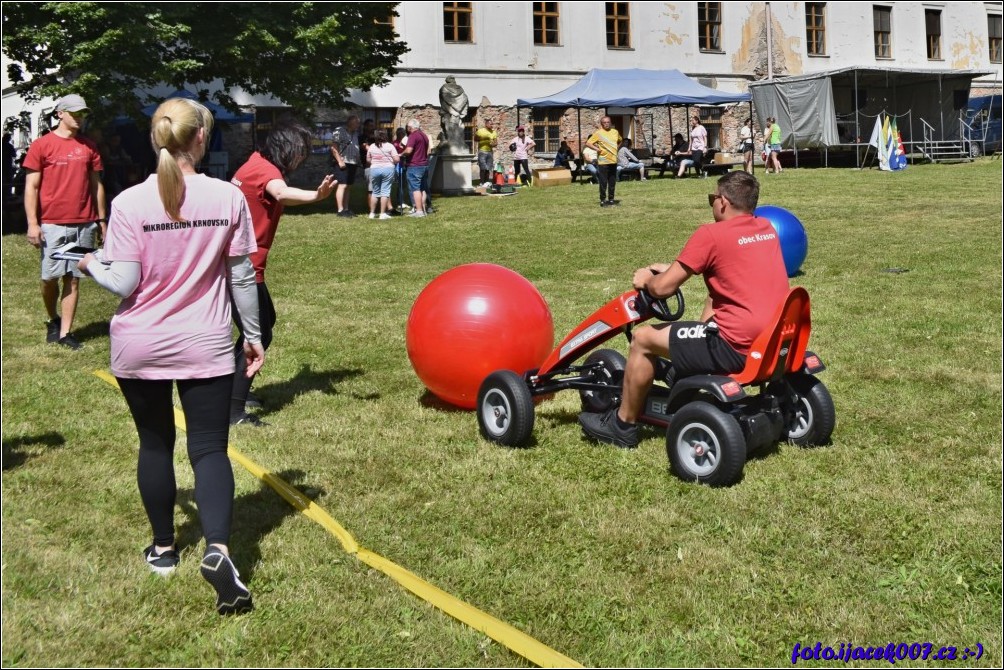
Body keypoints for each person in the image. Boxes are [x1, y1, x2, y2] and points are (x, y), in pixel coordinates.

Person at [77, 97, 264, 615]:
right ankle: (220, 549)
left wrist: (92, 264)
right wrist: (253, 334)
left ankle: (163, 549)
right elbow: (242, 276)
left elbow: (125, 282)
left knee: (154, 444)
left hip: (140, 344)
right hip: (204, 342)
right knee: (208, 449)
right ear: (200, 138)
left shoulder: (129, 203)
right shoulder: (227, 197)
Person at [578, 171, 790, 449]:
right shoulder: (766, 229)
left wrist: (646, 279)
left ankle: (623, 425)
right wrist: (680, 268)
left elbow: (663, 289)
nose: (712, 203)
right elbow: (731, 268)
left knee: (642, 339)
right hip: (774, 341)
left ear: (723, 202)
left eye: (712, 198)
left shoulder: (711, 234)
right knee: (712, 301)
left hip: (736, 347)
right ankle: (685, 372)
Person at [227, 119, 337, 427]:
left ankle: (236, 390)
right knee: (259, 332)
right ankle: (234, 409)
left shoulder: (253, 161)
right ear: (287, 149)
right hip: (244, 268)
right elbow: (281, 192)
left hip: (239, 263)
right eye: (301, 151)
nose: (302, 157)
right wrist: (316, 197)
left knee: (263, 325)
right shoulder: (268, 172)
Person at [22, 93, 107, 350]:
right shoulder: (41, 145)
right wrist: (32, 223)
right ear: (60, 113)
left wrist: (102, 219)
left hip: (83, 222)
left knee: (72, 278)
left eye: (82, 113)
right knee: (49, 278)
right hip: (52, 222)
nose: (79, 117)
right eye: (74, 113)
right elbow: (31, 187)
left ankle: (66, 333)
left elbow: (97, 185)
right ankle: (52, 319)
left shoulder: (88, 146)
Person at [585, 116, 621, 206]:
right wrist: (597, 149)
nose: (606, 124)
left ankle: (611, 199)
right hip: (603, 162)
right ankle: (603, 200)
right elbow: (588, 143)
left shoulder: (615, 132)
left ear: (611, 123)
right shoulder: (598, 133)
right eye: (604, 122)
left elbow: (620, 140)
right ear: (601, 124)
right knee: (603, 182)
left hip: (613, 160)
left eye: (608, 122)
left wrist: (617, 148)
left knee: (612, 182)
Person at [329, 114, 360, 217]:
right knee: (342, 185)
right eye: (356, 123)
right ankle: (340, 210)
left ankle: (346, 209)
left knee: (348, 186)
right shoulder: (339, 130)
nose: (358, 125)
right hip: (343, 162)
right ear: (350, 122)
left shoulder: (355, 133)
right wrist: (339, 161)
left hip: (352, 162)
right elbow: (334, 147)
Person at [366, 129, 399, 219]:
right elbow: (396, 159)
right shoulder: (390, 146)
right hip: (388, 169)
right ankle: (382, 213)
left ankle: (372, 213)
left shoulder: (372, 146)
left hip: (374, 169)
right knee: (385, 191)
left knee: (375, 192)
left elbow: (368, 160)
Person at [401, 119, 431, 217]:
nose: (407, 128)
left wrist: (401, 154)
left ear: (410, 127)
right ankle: (423, 209)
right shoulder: (424, 135)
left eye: (408, 127)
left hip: (415, 165)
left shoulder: (413, 136)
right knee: (423, 188)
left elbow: (409, 150)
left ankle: (419, 211)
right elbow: (427, 151)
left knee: (415, 189)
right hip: (424, 164)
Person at [438, 76, 469, 154]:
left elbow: (443, 100)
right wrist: (459, 108)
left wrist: (451, 108)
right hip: (458, 112)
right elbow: (465, 99)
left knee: (449, 129)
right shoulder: (461, 90)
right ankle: (458, 144)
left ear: (447, 81)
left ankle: (453, 145)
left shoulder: (443, 88)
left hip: (448, 112)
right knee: (459, 128)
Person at [359, 118, 376, 220]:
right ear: (365, 126)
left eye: (373, 125)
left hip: (380, 165)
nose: (372, 127)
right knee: (371, 189)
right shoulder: (361, 137)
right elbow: (366, 148)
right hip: (369, 165)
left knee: (384, 189)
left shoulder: (375, 137)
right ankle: (371, 210)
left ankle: (388, 208)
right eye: (370, 125)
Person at [392, 127, 411, 212]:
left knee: (404, 184)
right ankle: (400, 201)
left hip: (406, 164)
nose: (401, 135)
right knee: (400, 183)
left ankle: (403, 200)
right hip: (398, 165)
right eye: (399, 134)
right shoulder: (394, 143)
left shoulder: (407, 141)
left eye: (402, 134)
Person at [475, 118, 498, 186]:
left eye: (492, 124)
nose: (492, 125)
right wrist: (483, 138)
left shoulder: (493, 132)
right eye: (490, 124)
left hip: (490, 151)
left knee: (488, 167)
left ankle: (487, 182)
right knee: (483, 167)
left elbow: (496, 143)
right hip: (482, 151)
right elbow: (475, 139)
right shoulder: (480, 131)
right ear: (486, 124)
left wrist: (492, 144)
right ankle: (482, 182)